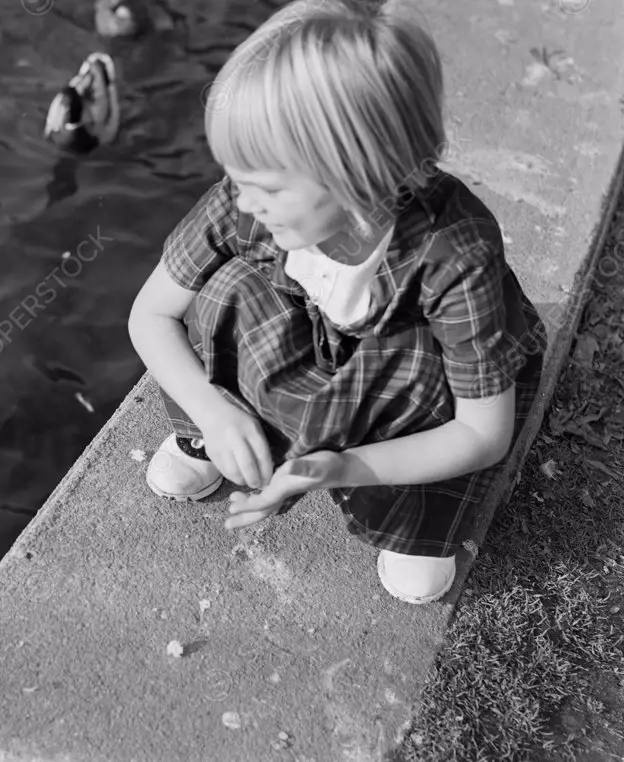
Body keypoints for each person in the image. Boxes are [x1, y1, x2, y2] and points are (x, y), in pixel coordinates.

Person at [126, 0, 546, 604]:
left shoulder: (454, 250)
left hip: (398, 376)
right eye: (235, 177)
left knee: (421, 374)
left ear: (356, 175)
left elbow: (481, 433)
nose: (241, 202)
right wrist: (211, 411)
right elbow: (152, 314)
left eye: (264, 186)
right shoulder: (246, 203)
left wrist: (341, 467)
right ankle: (208, 437)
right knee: (223, 290)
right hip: (308, 342)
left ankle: (411, 518)